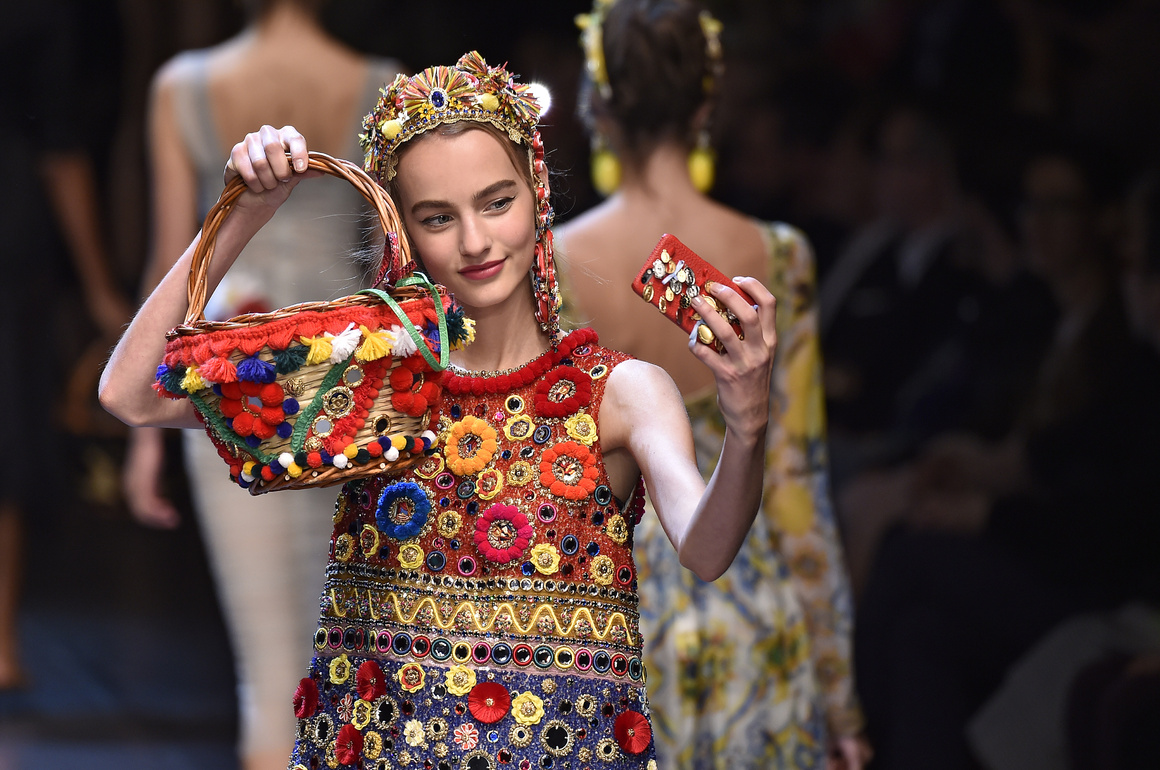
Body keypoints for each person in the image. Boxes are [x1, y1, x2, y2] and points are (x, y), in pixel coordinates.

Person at [99, 51, 779, 769]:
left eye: (497, 203)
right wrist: (248, 210)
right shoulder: (376, 379)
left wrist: (747, 424)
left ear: (538, 194)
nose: (476, 241)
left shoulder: (620, 393)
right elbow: (130, 392)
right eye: (438, 217)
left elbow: (706, 550)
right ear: (403, 230)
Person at [555, 2, 866, 768]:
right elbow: (794, 483)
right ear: (706, 105)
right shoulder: (779, 255)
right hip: (756, 616)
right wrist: (840, 697)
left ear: (599, 106)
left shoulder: (553, 265)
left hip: (613, 622)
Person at [119, 2, 400, 766]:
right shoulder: (380, 83)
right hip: (355, 393)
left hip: (233, 392)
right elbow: (392, 256)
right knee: (351, 663)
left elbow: (171, 269)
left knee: (269, 672)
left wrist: (146, 439)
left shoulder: (182, 86)